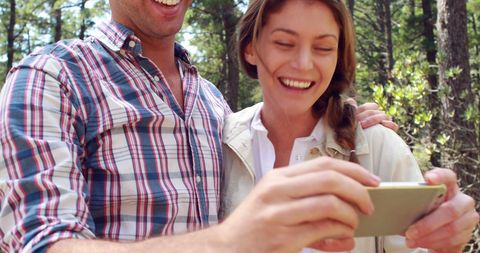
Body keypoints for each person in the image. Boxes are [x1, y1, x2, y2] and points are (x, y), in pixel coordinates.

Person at [0, 0, 400, 252]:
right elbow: (41, 242)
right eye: (284, 43)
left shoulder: (211, 101)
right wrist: (229, 242)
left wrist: (345, 122)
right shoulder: (53, 76)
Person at [220, 0, 479, 252]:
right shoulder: (219, 143)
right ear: (250, 48)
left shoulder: (376, 146)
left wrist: (446, 245)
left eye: (323, 48)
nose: (303, 64)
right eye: (284, 43)